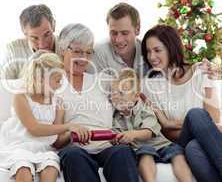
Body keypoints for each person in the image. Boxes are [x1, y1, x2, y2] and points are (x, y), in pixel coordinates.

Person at [54, 23, 139, 182]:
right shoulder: (53, 84)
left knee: (122, 152)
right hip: (74, 149)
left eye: (88, 52)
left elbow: (131, 88)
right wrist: (71, 133)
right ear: (62, 49)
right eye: (78, 51)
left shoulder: (101, 81)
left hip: (105, 146)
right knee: (74, 156)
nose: (84, 58)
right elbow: (56, 140)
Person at [141, 24, 221, 180]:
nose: (151, 57)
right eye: (148, 51)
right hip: (179, 142)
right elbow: (168, 134)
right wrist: (183, 125)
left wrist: (171, 123)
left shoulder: (201, 72)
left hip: (196, 144)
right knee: (196, 115)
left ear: (172, 48)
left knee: (193, 148)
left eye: (157, 50)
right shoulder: (150, 86)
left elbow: (214, 120)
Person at [0, 52, 78, 182]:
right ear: (42, 79)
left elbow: (57, 142)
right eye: (57, 80)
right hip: (20, 146)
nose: (60, 85)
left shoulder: (58, 103)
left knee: (50, 166)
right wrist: (68, 126)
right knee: (23, 167)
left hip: (44, 148)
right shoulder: (21, 97)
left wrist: (71, 133)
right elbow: (34, 129)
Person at [111, 69, 193, 182]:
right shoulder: (116, 117)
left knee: (177, 154)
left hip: (162, 144)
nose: (116, 97)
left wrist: (132, 134)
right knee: (145, 154)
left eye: (121, 93)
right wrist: (116, 139)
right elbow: (116, 134)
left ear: (136, 96)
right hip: (142, 148)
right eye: (113, 93)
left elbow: (148, 132)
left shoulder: (145, 109)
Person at [89, 2, 148, 76]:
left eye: (125, 33)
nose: (118, 40)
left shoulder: (148, 52)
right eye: (114, 33)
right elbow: (95, 86)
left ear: (137, 29)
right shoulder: (98, 52)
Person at [1, 4, 59, 79]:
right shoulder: (13, 50)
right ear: (25, 34)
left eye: (47, 35)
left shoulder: (68, 47)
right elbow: (2, 85)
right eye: (34, 38)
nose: (42, 45)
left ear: (53, 26)